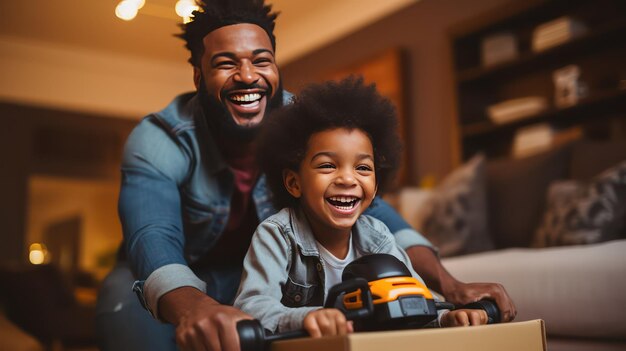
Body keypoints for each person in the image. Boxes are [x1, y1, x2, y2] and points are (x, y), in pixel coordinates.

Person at [95, 0, 515, 350]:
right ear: (199, 75)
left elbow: (377, 217)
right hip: (180, 272)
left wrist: (450, 286)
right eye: (226, 64)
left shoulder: (306, 124)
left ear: (276, 67)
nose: (247, 76)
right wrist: (195, 307)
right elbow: (152, 236)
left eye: (262, 61)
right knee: (123, 301)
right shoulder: (158, 139)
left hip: (272, 272)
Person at [234, 77, 488, 336]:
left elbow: (415, 299)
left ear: (376, 186)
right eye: (327, 165)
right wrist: (307, 317)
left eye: (363, 168)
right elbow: (252, 306)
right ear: (293, 182)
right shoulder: (277, 235)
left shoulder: (378, 237)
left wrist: (448, 318)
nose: (347, 179)